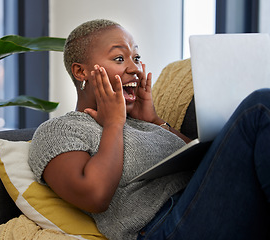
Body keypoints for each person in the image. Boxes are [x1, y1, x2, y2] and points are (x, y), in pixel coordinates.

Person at [28, 19, 270, 240]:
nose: (134, 68)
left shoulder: (142, 121)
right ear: (81, 72)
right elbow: (95, 195)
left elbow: (205, 164)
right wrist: (113, 123)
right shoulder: (59, 130)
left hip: (204, 205)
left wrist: (154, 120)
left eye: (136, 57)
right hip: (163, 228)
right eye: (119, 59)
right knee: (258, 108)